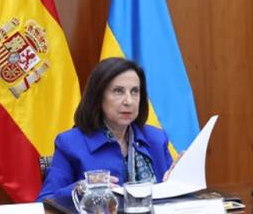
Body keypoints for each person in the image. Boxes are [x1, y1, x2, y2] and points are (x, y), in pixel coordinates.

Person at [37, 58, 173, 203]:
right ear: (98, 97)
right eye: (118, 91)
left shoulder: (156, 139)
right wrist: (81, 190)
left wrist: (181, 177)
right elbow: (44, 203)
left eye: (134, 91)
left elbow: (173, 197)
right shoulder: (70, 143)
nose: (129, 101)